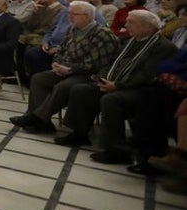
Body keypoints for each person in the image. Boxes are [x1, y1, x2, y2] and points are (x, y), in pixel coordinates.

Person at [57, 9, 176, 164]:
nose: (126, 25)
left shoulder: (163, 47)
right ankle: (79, 133)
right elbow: (112, 61)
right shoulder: (129, 40)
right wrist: (103, 78)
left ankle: (116, 149)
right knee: (82, 89)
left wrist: (118, 85)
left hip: (142, 89)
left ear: (148, 27)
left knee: (111, 100)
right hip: (116, 82)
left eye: (131, 22)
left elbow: (146, 75)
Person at [9, 1, 118, 134]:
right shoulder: (73, 29)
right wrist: (56, 63)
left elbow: (94, 63)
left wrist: (70, 69)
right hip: (67, 69)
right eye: (69, 13)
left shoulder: (102, 34)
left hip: (89, 74)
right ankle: (42, 121)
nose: (69, 17)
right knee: (39, 78)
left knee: (64, 86)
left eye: (74, 14)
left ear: (87, 16)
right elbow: (61, 49)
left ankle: (36, 118)